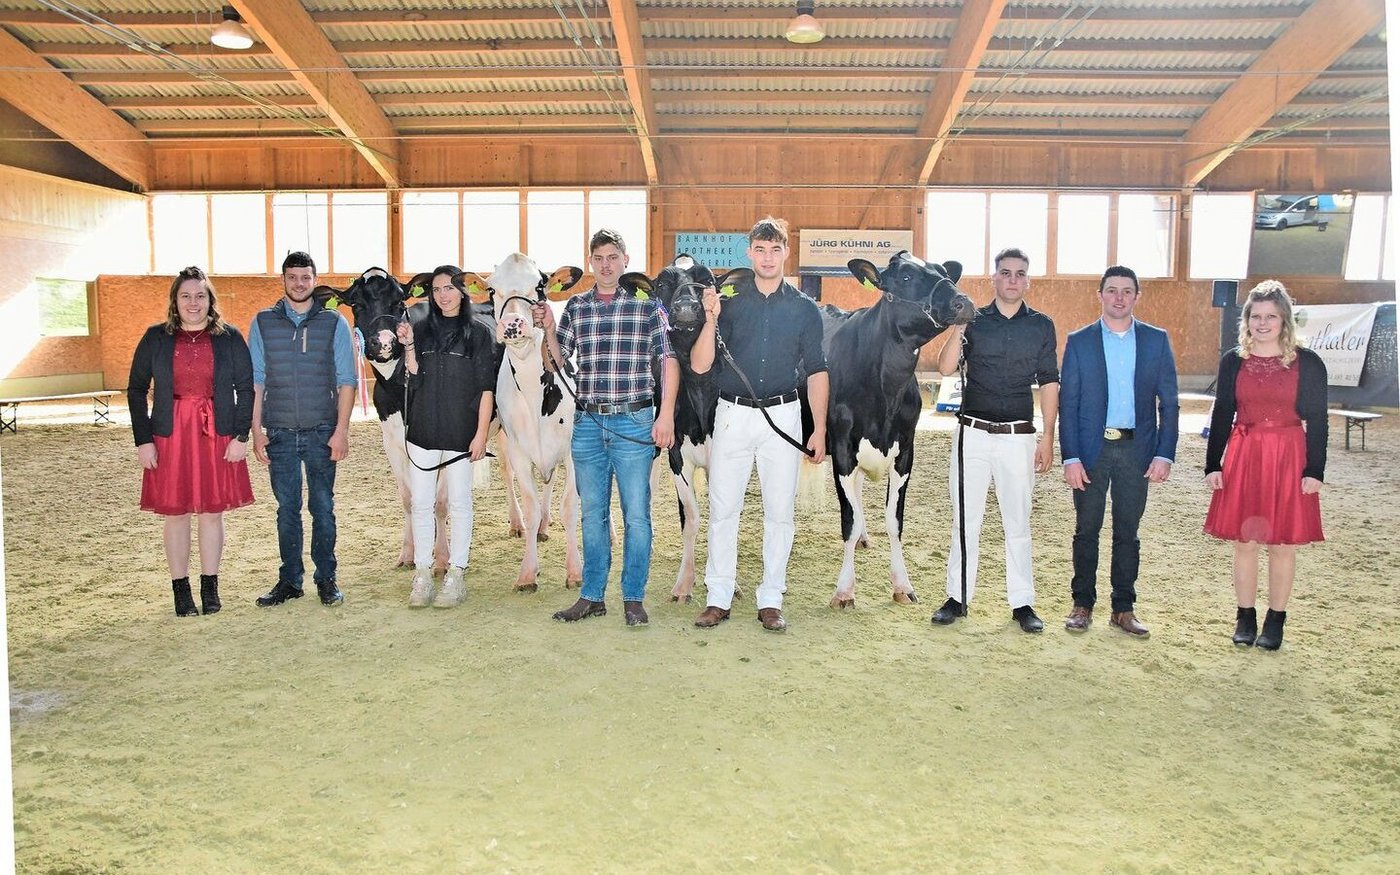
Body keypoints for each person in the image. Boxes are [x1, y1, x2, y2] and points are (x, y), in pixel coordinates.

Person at [691, 216, 828, 632]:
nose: (768, 258)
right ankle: (718, 595)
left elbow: (818, 370)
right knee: (723, 508)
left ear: (787, 252)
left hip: (784, 414)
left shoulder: (805, 309)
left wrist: (818, 427)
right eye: (760, 250)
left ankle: (771, 598)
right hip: (732, 414)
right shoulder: (728, 302)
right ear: (749, 253)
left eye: (776, 250)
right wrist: (710, 318)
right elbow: (700, 365)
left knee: (780, 512)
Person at [535, 229, 678, 627]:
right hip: (588, 423)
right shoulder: (577, 308)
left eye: (613, 256)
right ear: (591, 263)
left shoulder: (648, 309)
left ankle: (633, 596)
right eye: (598, 258)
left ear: (625, 260)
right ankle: (592, 595)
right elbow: (555, 364)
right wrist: (548, 327)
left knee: (636, 514)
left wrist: (665, 415)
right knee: (592, 513)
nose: (606, 264)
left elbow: (668, 362)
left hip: (634, 420)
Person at [933, 247, 1058, 633]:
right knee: (965, 520)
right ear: (994, 277)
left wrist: (1048, 437)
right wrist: (958, 328)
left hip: (1019, 437)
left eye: (1020, 274)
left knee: (1017, 523)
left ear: (1028, 279)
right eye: (1005, 273)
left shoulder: (1041, 325)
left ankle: (1022, 603)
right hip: (972, 434)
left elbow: (1050, 382)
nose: (1012, 280)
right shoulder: (975, 321)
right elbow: (945, 367)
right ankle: (957, 597)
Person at [1204, 280, 1326, 651]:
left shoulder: (1307, 362)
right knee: (1246, 541)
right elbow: (1223, 411)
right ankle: (1245, 616)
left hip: (1289, 456)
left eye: (1271, 316)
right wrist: (1214, 463)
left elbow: (1318, 419)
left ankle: (1275, 620)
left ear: (1284, 319)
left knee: (1282, 544)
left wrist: (1314, 470)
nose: (1262, 323)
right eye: (1255, 316)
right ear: (1246, 320)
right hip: (1244, 455)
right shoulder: (1233, 361)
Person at [1059, 266, 1179, 638]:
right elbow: (1069, 403)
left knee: (1128, 532)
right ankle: (1082, 604)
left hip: (1136, 451)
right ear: (1100, 295)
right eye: (1112, 290)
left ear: (1137, 297)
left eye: (1127, 291)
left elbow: (1170, 403)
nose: (1119, 297)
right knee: (1087, 530)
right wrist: (1071, 456)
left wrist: (1165, 453)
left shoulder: (1156, 341)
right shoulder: (1080, 342)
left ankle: (1123, 608)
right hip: (1092, 452)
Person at [128, 266, 255, 617]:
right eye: (185, 296)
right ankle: (181, 591)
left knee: (212, 513)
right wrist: (144, 440)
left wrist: (241, 435)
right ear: (175, 300)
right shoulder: (156, 337)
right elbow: (137, 390)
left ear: (210, 299)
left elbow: (245, 389)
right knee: (177, 514)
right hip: (169, 435)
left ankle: (210, 586)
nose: (193, 302)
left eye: (200, 295)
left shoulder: (229, 337)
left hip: (217, 432)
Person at [248, 251, 357, 608]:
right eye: (292, 277)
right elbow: (256, 381)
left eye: (305, 277)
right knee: (287, 509)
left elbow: (347, 380)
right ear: (283, 280)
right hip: (277, 430)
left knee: (322, 507)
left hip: (321, 430)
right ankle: (290, 580)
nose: (299, 283)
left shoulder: (334, 322)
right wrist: (256, 430)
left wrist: (341, 431)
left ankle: (326, 578)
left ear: (315, 280)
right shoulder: (263, 322)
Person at [394, 266, 498, 609]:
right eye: (437, 289)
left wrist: (481, 434)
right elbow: (412, 377)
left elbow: (486, 389)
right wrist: (409, 347)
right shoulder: (421, 330)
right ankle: (422, 573)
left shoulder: (479, 334)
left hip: (461, 433)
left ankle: (456, 573)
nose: (443, 294)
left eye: (450, 287)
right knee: (421, 504)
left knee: (459, 504)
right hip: (422, 431)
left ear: (463, 291)